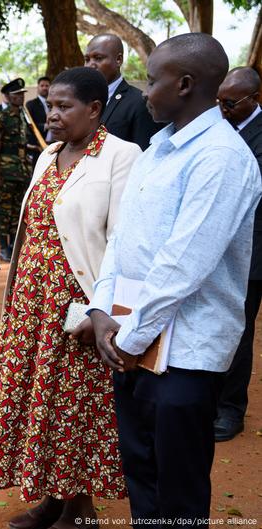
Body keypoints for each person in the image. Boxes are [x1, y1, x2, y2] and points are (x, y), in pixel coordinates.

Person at [86, 33, 261, 526]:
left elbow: (183, 265)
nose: (143, 91)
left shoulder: (221, 158)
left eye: (152, 80)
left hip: (185, 351)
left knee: (178, 485)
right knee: (141, 470)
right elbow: (122, 239)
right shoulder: (158, 149)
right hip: (131, 339)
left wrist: (129, 336)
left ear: (185, 84)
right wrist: (102, 310)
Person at [0, 67, 141, 529]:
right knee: (38, 399)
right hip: (33, 299)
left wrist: (105, 310)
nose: (52, 115)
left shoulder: (121, 156)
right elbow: (33, 228)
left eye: (65, 107)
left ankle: (79, 506)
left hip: (80, 302)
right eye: (51, 105)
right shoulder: (48, 155)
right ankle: (51, 497)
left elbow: (123, 241)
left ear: (94, 109)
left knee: (77, 405)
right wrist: (14, 293)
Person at [215, 67, 262, 442]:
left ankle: (231, 410)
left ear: (254, 100)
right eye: (219, 101)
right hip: (218, 250)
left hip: (254, 253)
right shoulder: (220, 131)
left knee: (240, 331)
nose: (222, 109)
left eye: (229, 103)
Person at [84, 34, 161, 151]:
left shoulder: (139, 102)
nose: (90, 65)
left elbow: (144, 152)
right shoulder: (81, 100)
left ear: (118, 60)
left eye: (98, 58)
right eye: (87, 60)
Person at [0, 78, 31, 262]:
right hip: (6, 172)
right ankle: (3, 247)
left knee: (17, 211)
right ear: (7, 96)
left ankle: (15, 246)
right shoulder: (1, 117)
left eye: (22, 94)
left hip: (21, 171)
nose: (20, 98)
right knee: (3, 212)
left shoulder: (23, 116)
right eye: (16, 95)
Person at [25, 76, 51, 141]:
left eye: (47, 86)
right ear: (37, 87)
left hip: (55, 141)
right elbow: (28, 124)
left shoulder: (54, 103)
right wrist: (45, 126)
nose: (44, 88)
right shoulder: (31, 104)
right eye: (42, 86)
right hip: (38, 142)